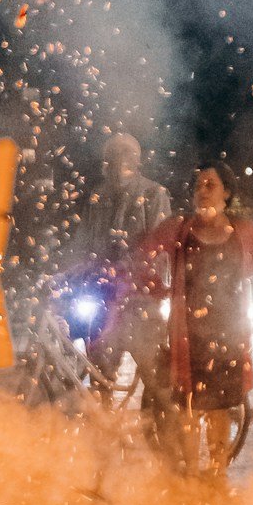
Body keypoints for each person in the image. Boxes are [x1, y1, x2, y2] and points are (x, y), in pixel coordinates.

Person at [136, 166, 253, 468]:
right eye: (198, 185)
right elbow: (145, 253)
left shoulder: (242, 229)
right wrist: (158, 287)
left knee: (219, 409)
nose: (202, 190)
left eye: (210, 184)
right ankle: (192, 475)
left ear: (227, 191)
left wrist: (238, 275)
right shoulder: (179, 228)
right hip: (189, 335)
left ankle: (216, 473)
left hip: (229, 334)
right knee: (189, 408)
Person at [74, 133, 173, 392]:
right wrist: (72, 274)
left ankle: (161, 417)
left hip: (142, 299)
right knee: (100, 375)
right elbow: (83, 242)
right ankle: (101, 416)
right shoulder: (98, 196)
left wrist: (129, 269)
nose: (120, 161)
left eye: (126, 155)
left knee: (155, 377)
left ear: (137, 160)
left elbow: (160, 244)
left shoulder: (153, 193)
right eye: (114, 156)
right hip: (104, 298)